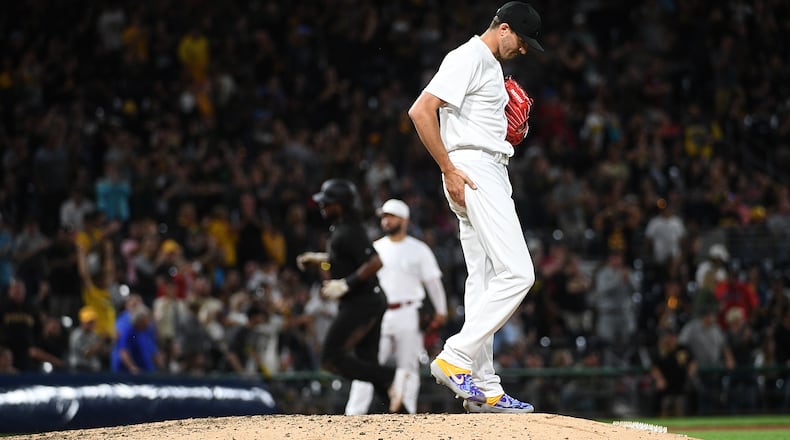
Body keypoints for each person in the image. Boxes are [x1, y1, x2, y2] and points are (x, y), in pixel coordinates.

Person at [407, 1, 541, 413]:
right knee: (519, 272)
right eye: (521, 39)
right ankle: (456, 356)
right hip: (474, 167)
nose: (523, 49)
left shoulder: (489, 66)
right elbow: (420, 110)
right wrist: (449, 168)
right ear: (502, 29)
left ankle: (484, 389)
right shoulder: (469, 56)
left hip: (481, 166)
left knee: (482, 282)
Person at [297, 179, 411, 413]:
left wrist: (345, 285)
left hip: (363, 303)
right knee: (366, 363)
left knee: (331, 358)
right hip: (366, 301)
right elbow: (346, 257)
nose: (323, 206)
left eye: (327, 202)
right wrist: (321, 258)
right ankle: (404, 417)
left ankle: (391, 377)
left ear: (340, 204)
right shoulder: (341, 227)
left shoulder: (350, 229)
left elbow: (375, 261)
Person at [345, 199, 449, 415]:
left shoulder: (419, 249)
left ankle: (406, 413)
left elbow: (433, 282)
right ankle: (353, 414)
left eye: (391, 216)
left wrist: (441, 310)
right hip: (379, 314)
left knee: (408, 366)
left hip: (409, 312)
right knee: (367, 365)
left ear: (404, 219)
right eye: (384, 216)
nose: (386, 220)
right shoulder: (375, 248)